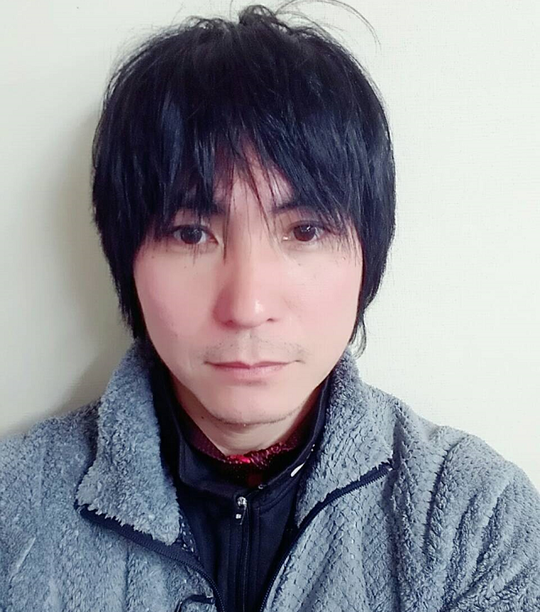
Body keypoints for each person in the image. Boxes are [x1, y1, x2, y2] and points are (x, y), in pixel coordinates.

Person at [1, 3, 539, 611]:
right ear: (127, 257)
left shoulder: (476, 520)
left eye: (304, 231)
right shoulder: (14, 509)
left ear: (370, 251)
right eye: (191, 233)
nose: (248, 305)